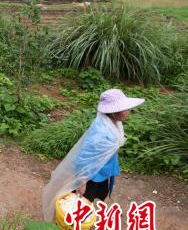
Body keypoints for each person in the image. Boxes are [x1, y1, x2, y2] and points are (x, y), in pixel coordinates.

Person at [42, 89, 145, 221]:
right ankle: (73, 225)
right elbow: (84, 158)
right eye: (125, 109)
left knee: (98, 194)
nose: (128, 111)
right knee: (84, 198)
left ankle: (78, 218)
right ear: (114, 112)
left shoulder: (113, 123)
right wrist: (82, 182)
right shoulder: (100, 133)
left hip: (102, 170)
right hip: (92, 175)